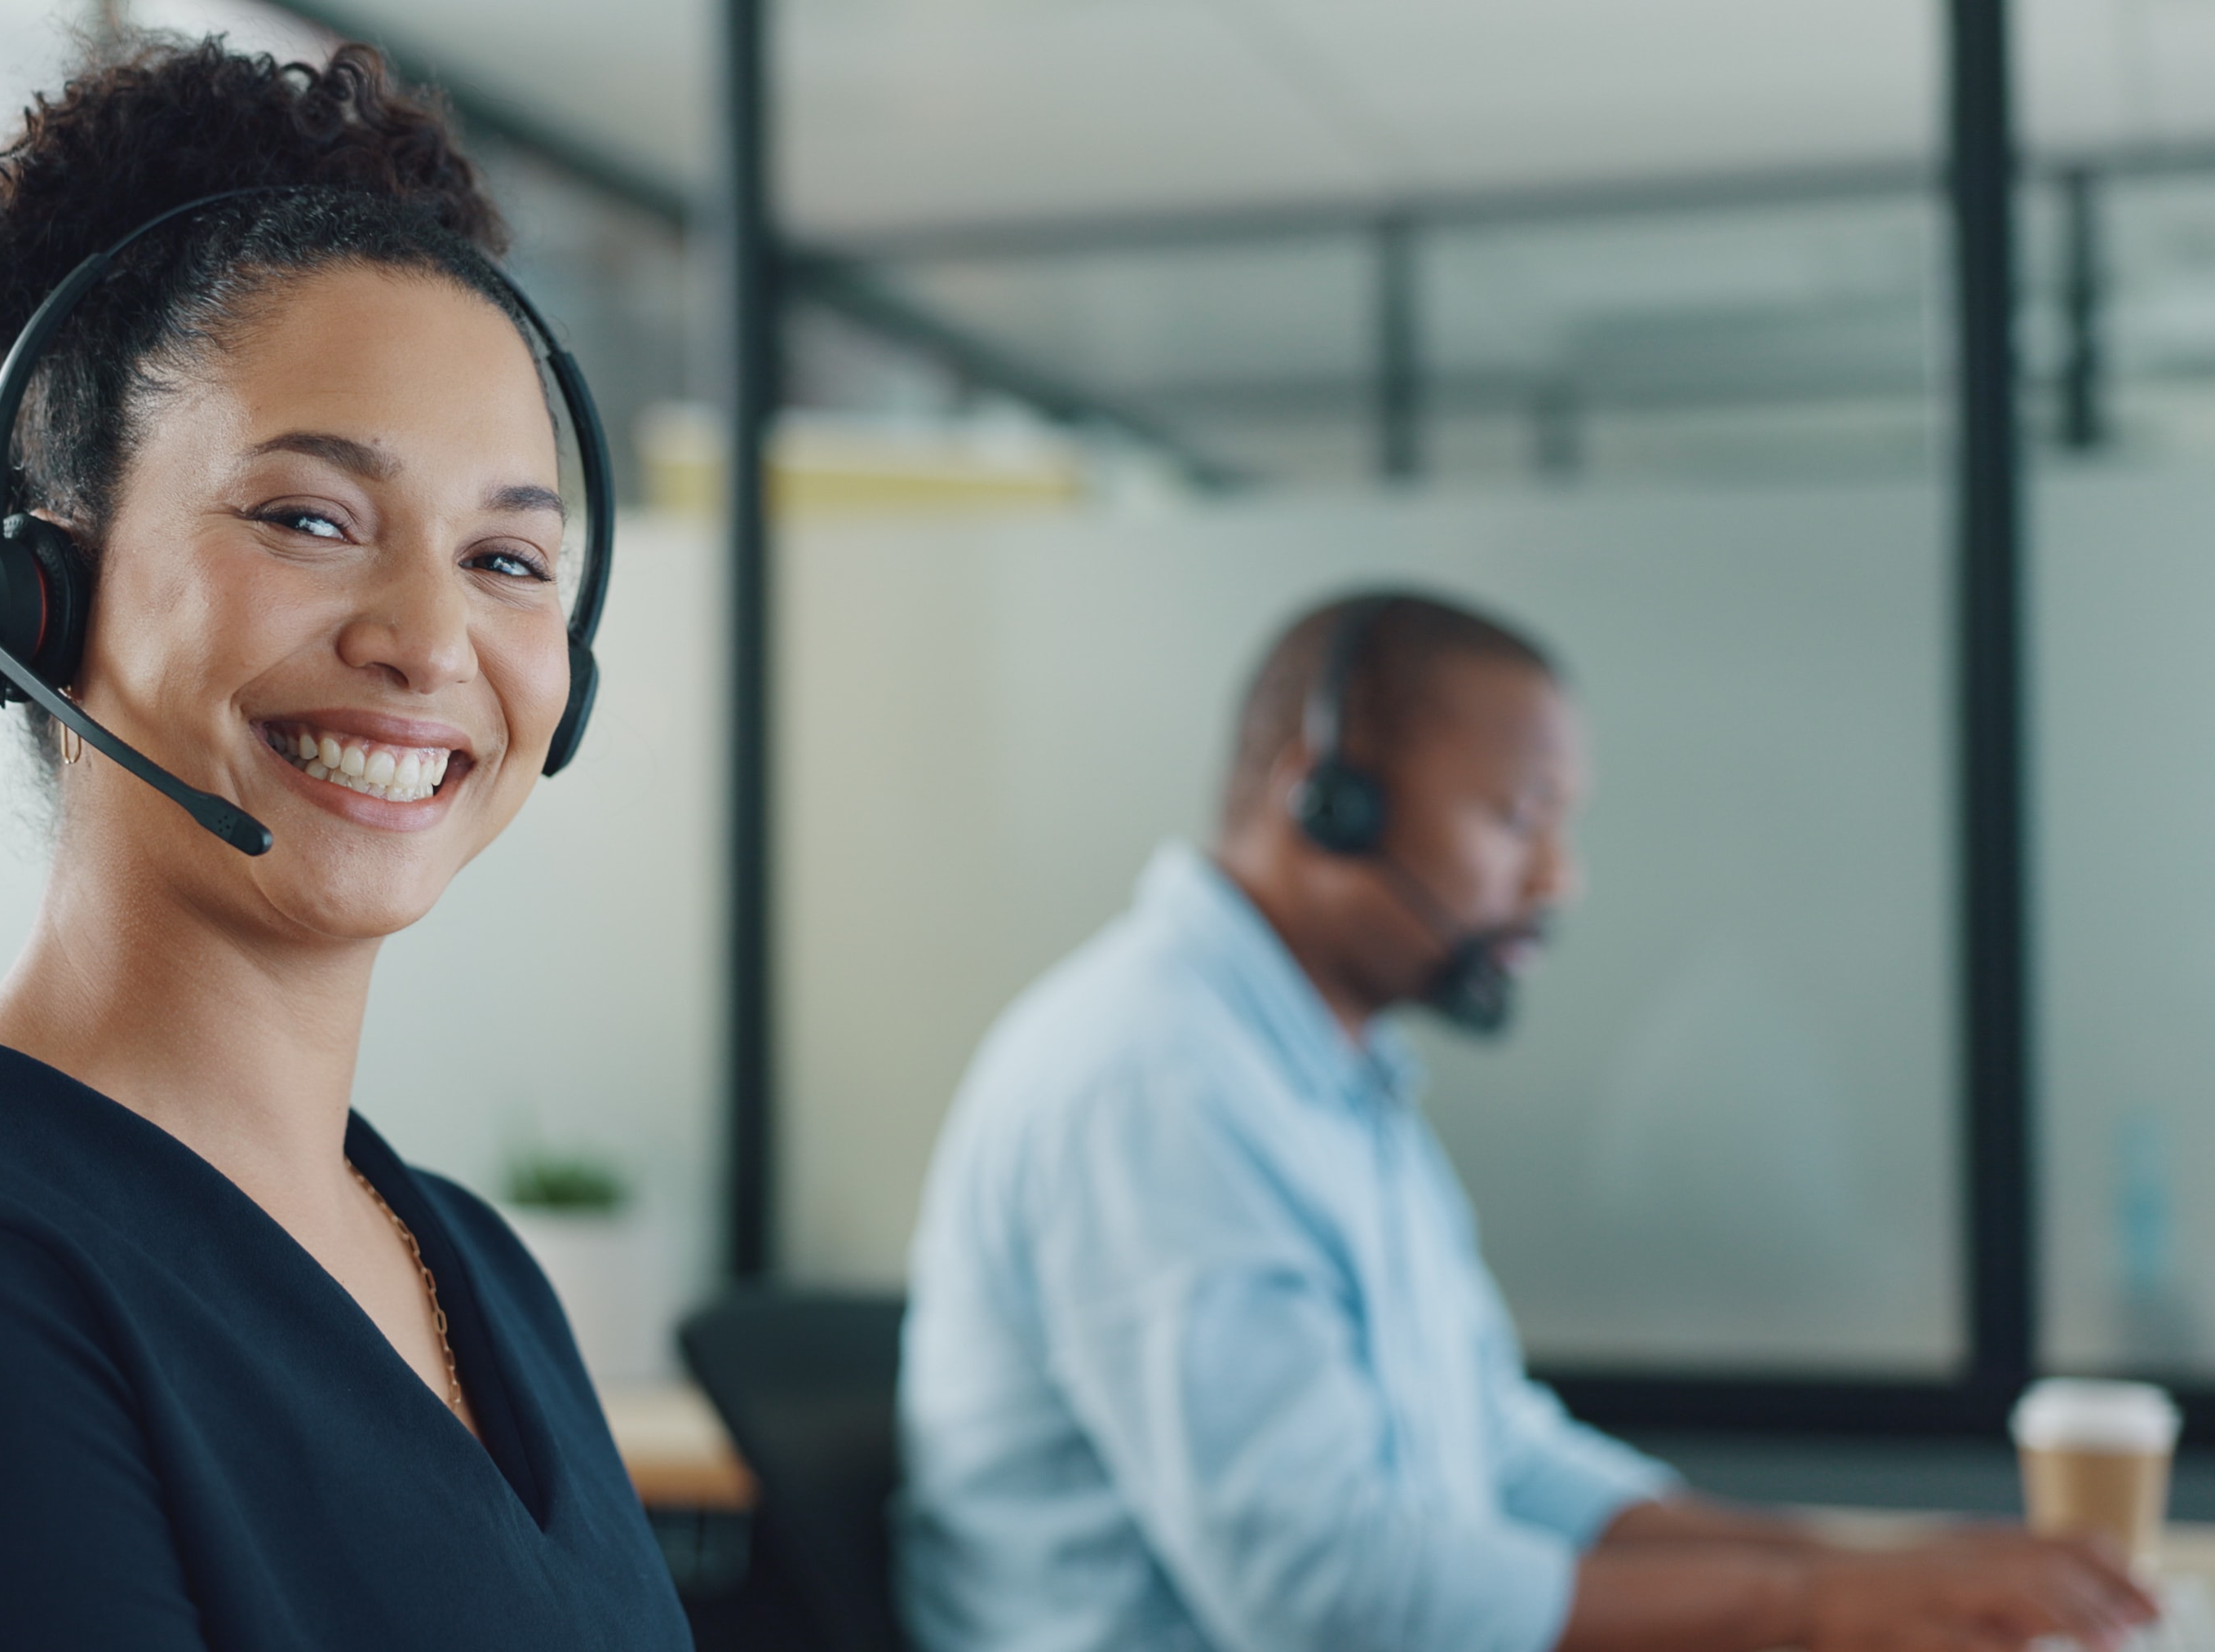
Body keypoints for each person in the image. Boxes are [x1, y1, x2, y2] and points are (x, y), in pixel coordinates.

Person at [0, 38, 689, 1651]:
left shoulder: (466, 1259)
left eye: (507, 555)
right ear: (38, 598)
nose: (431, 640)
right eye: (308, 519)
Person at [895, 591, 2154, 1652]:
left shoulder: (1326, 1075)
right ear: (1328, 802)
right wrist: (1816, 1604)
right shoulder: (1158, 1081)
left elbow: (1494, 1457)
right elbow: (1326, 1595)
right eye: (1516, 819)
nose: (1558, 880)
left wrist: (1860, 1560)